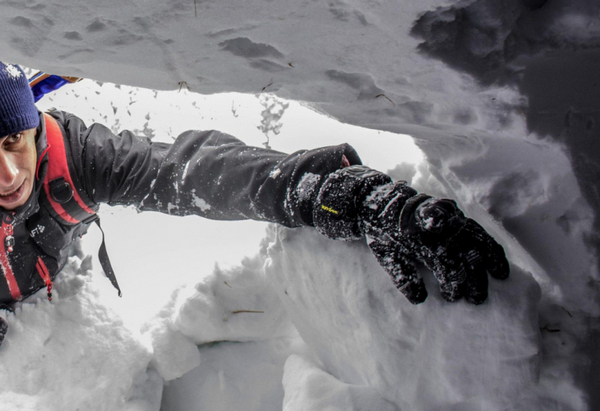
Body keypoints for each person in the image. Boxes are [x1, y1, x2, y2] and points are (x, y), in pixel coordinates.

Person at [0, 62, 509, 346]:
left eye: (12, 142)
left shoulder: (77, 158)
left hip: (47, 288)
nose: (9, 175)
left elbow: (191, 170)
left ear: (33, 129)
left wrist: (341, 194)